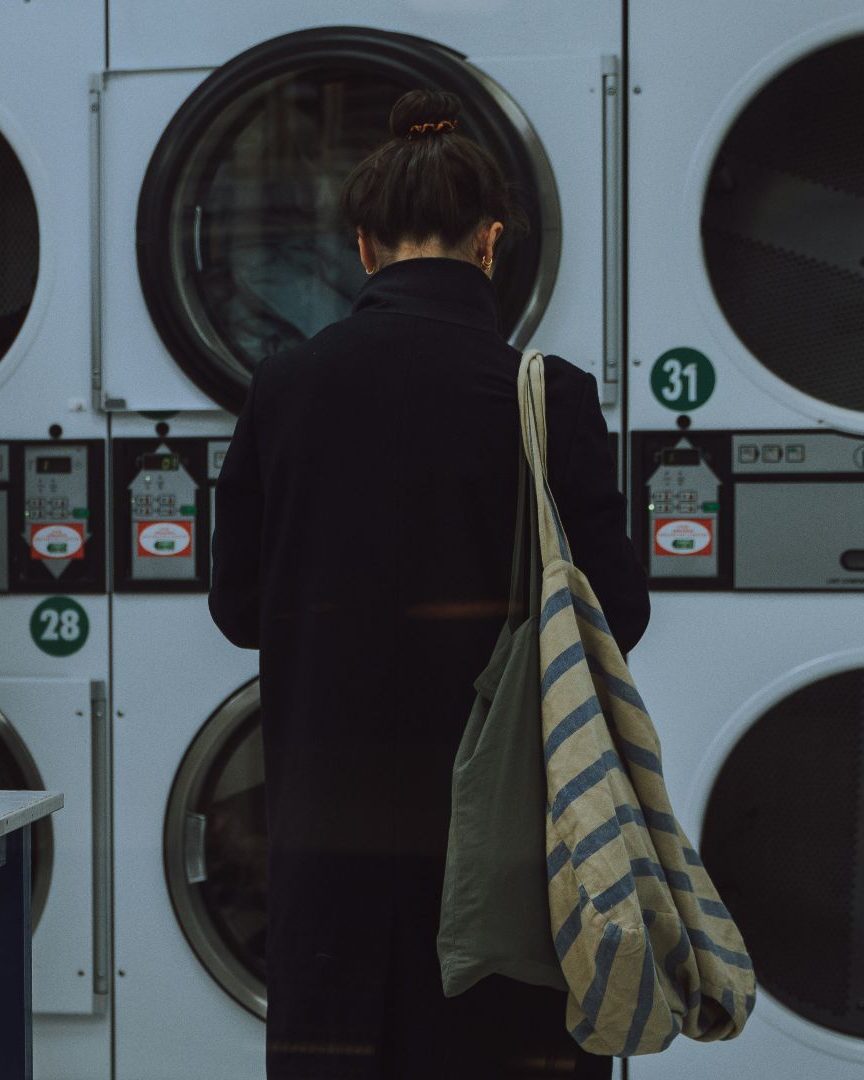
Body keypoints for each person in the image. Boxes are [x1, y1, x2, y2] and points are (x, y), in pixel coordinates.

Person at [207, 90, 650, 1078]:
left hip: (333, 839)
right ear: (490, 242)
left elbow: (237, 608)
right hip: (513, 847)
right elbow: (619, 614)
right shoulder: (551, 397)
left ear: (364, 247)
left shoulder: (284, 388)